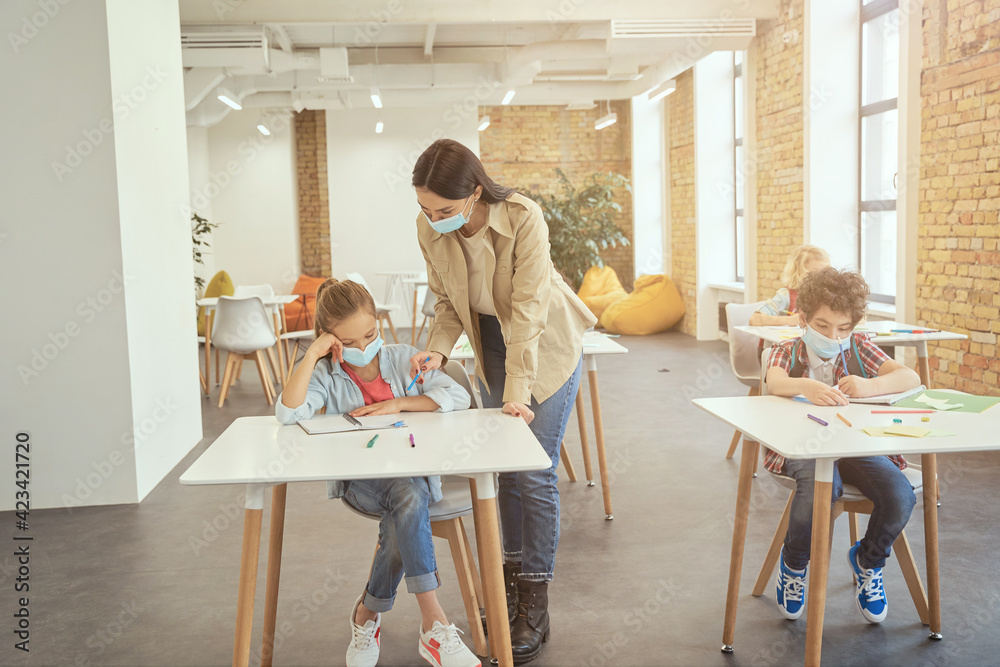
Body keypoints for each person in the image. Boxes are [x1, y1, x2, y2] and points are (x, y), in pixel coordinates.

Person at [407, 138, 598, 664]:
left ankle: (534, 602)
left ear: (473, 191)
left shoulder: (523, 217)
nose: (434, 219)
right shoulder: (430, 228)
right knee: (502, 472)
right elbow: (447, 303)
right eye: (425, 210)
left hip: (546, 345)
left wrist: (517, 394)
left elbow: (532, 311)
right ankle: (508, 586)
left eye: (444, 210)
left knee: (531, 470)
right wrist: (436, 351)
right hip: (489, 343)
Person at [275, 278, 479, 667]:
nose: (364, 345)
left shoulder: (403, 358)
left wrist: (398, 404)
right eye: (348, 342)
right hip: (361, 482)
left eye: (369, 334)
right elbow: (288, 413)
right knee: (410, 497)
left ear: (379, 326)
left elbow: (458, 396)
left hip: (413, 478)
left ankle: (367, 613)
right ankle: (433, 624)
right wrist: (313, 353)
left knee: (407, 501)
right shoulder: (325, 375)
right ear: (330, 339)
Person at [763, 267, 920, 624]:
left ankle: (868, 560)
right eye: (821, 326)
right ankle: (794, 565)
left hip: (855, 448)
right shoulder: (787, 350)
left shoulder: (859, 348)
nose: (833, 336)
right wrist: (806, 386)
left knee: (900, 495)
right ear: (804, 318)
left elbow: (909, 377)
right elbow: (775, 382)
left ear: (854, 326)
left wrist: (869, 387)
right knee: (822, 488)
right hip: (801, 448)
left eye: (843, 328)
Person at [750, 244, 830, 326]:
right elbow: (755, 319)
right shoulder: (785, 296)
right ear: (798, 273)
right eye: (815, 273)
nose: (822, 277)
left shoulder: (826, 296)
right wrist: (789, 320)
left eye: (825, 272)